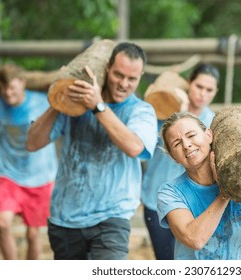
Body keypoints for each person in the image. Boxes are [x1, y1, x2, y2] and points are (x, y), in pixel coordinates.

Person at [26, 42, 157, 260]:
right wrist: (59, 96)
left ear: (140, 76)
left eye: (132, 79)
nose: (124, 84)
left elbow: (135, 147)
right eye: (118, 75)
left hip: (112, 218)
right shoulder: (75, 102)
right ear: (107, 68)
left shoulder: (141, 110)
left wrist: (98, 107)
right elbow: (32, 143)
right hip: (65, 218)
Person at [156, 112, 241, 260]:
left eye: (191, 135)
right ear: (173, 156)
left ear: (208, 135)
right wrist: (225, 191)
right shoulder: (170, 192)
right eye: (176, 143)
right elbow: (195, 239)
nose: (186, 145)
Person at [0, 64, 57, 260]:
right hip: (8, 173)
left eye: (12, 87)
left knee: (33, 235)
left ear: (22, 83)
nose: (8, 93)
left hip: (40, 175)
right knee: (2, 223)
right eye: (3, 88)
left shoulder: (42, 102)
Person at [141, 64, 219, 259]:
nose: (202, 94)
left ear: (215, 92)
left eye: (209, 90)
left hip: (198, 203)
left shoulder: (213, 122)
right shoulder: (162, 109)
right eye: (199, 86)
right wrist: (179, 110)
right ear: (189, 84)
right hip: (157, 197)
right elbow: (145, 145)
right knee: (166, 260)